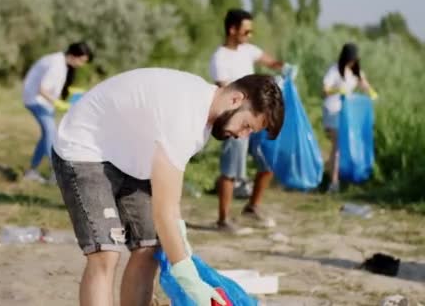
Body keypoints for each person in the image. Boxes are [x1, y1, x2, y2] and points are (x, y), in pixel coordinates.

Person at [52, 68, 284, 306]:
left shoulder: (203, 120)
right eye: (246, 126)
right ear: (236, 99)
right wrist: (189, 278)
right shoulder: (186, 115)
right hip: (85, 148)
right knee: (105, 253)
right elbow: (165, 212)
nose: (242, 136)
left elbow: (170, 199)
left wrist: (181, 245)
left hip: (129, 157)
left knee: (150, 246)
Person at [209, 8, 295, 233]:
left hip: (257, 117)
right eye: (246, 32)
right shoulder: (220, 58)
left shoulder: (248, 50)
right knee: (230, 169)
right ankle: (223, 219)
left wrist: (283, 68)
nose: (250, 36)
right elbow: (226, 91)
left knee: (267, 162)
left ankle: (253, 206)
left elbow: (270, 61)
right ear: (232, 29)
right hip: (237, 120)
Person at [21, 41, 93, 183]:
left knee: (46, 135)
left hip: (42, 102)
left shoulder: (62, 63)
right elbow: (42, 90)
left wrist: (73, 94)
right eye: (82, 61)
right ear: (74, 55)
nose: (82, 65)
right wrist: (59, 104)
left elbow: (54, 87)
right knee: (51, 133)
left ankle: (31, 171)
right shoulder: (56, 64)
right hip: (35, 100)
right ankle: (56, 172)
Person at [322, 43, 377, 192]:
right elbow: (324, 90)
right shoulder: (334, 70)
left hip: (348, 113)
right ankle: (333, 182)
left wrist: (372, 93)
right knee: (337, 146)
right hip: (333, 110)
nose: (352, 62)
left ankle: (336, 174)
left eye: (354, 60)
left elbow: (364, 85)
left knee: (346, 145)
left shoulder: (356, 72)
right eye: (350, 59)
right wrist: (337, 90)